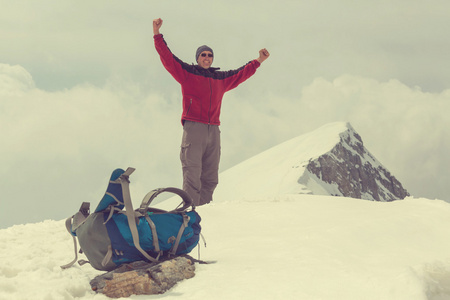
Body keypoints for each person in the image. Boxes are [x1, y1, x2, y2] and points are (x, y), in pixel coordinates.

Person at [153, 18, 270, 206]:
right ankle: (190, 215)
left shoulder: (220, 79)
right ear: (198, 58)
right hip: (194, 129)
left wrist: (259, 61)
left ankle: (205, 214)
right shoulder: (187, 73)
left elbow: (240, 74)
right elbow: (168, 58)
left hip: (214, 131)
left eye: (209, 55)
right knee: (192, 175)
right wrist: (157, 34)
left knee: (210, 177)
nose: (207, 58)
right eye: (203, 55)